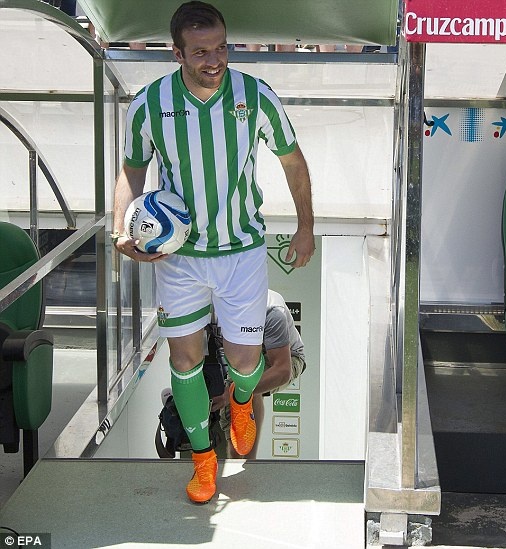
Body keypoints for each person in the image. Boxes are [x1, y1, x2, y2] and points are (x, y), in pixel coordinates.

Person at [111, 1, 315, 504]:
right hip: (177, 257)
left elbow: (293, 163)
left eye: (221, 47)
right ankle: (204, 464)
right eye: (201, 51)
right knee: (184, 360)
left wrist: (305, 226)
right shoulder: (149, 103)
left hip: (242, 250)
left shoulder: (256, 96)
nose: (214, 59)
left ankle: (243, 401)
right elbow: (131, 171)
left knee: (246, 362)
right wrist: (120, 232)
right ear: (176, 52)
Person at [209, 289, 306, 458]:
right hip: (235, 354)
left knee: (245, 378)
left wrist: (231, 392)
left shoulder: (271, 310)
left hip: (287, 357)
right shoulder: (207, 305)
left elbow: (282, 370)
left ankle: (245, 460)